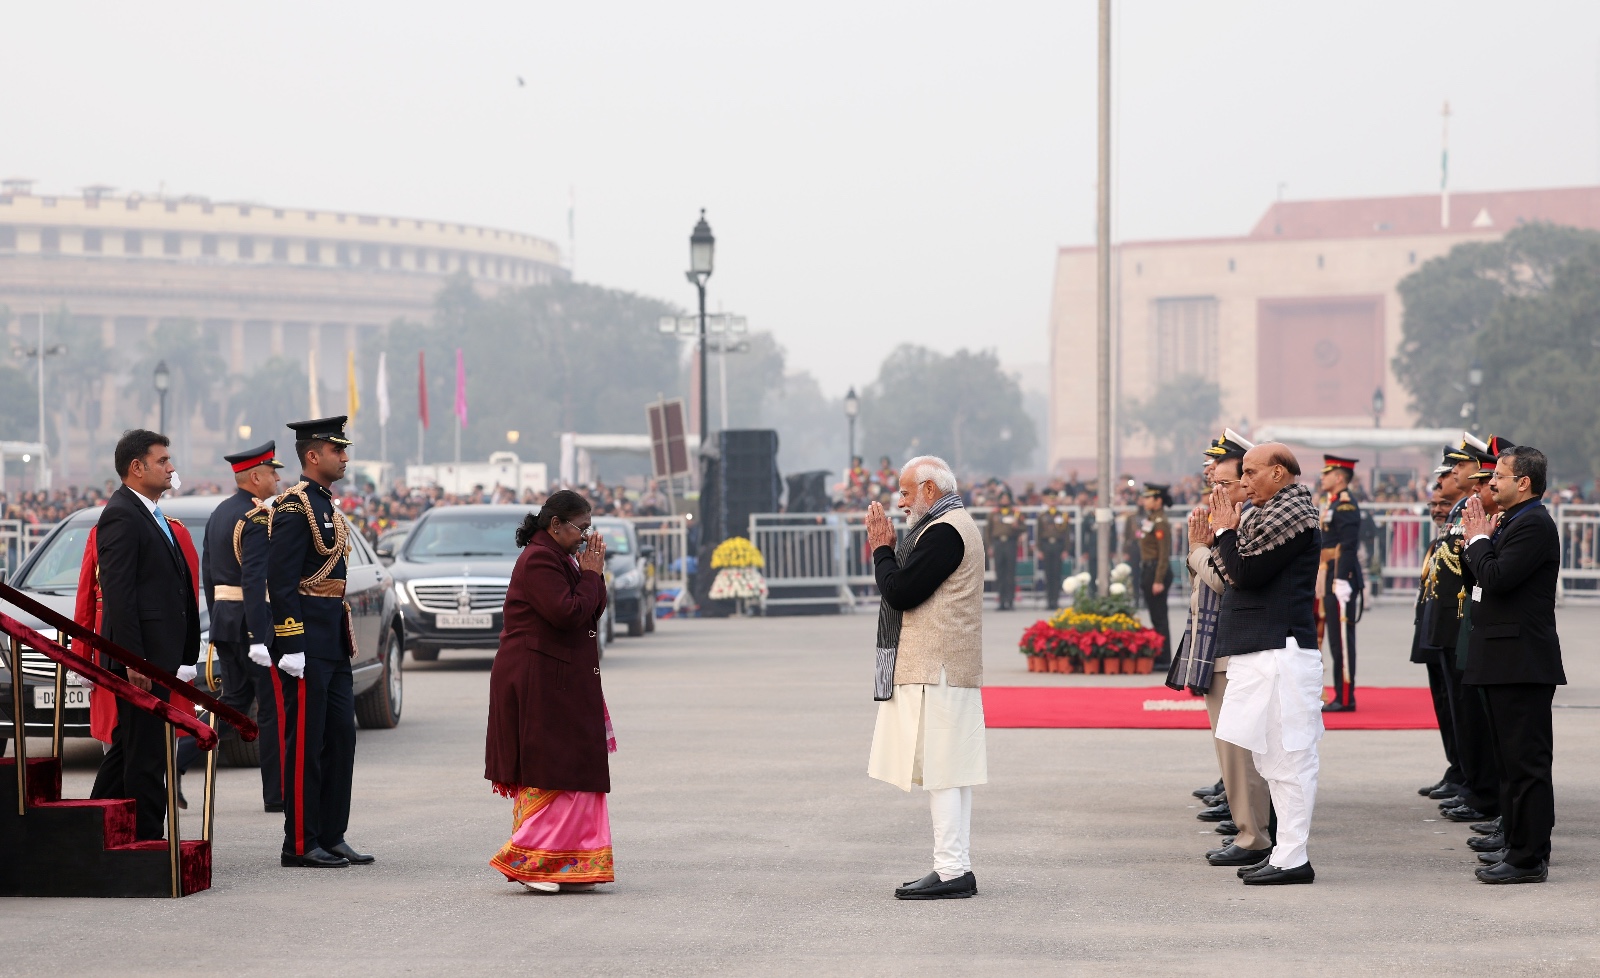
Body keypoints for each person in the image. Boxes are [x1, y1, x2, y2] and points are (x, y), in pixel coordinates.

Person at [865, 455, 986, 900]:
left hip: (937, 667)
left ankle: (953, 870)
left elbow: (900, 592)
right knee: (951, 771)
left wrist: (881, 548)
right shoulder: (950, 524)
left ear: (930, 491)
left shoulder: (945, 531)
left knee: (944, 772)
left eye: (905, 491)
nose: (900, 502)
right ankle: (954, 865)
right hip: (946, 666)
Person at [485, 489, 615, 893]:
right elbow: (567, 612)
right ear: (555, 526)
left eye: (589, 530)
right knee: (551, 771)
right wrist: (590, 574)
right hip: (538, 681)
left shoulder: (560, 557)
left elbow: (589, 608)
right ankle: (532, 861)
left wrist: (593, 573)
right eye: (581, 529)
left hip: (558, 678)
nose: (585, 538)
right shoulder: (540, 559)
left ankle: (570, 862)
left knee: (573, 771)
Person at [1209, 443, 1323, 885]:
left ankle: (1294, 857)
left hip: (1282, 649)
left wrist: (1222, 533)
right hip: (1263, 650)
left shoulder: (1293, 513)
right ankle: (1283, 852)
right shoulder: (1266, 512)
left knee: (1291, 756)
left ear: (1279, 473)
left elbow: (1246, 573)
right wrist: (1224, 534)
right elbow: (1235, 570)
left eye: (1251, 473)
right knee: (1271, 759)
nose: (1243, 482)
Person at [88, 430, 202, 841]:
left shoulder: (150, 512)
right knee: (147, 759)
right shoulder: (121, 513)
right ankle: (149, 844)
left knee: (128, 753)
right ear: (136, 468)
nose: (171, 467)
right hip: (140, 661)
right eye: (162, 460)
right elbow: (119, 595)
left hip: (158, 656)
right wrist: (134, 659)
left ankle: (88, 830)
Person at [268, 416, 372, 868]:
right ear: (313, 455)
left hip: (332, 641)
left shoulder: (326, 505)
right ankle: (300, 841)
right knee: (306, 743)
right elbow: (281, 581)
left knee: (341, 738)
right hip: (306, 644)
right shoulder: (293, 509)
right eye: (338, 450)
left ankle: (332, 833)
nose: (345, 457)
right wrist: (291, 643)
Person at [1461, 445, 1565, 884]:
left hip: (1521, 661)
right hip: (1503, 657)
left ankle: (1528, 857)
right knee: (1509, 762)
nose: (1491, 483)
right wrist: (1479, 541)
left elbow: (1498, 578)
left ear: (1524, 482)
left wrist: (1480, 541)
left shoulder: (1534, 525)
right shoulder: (1515, 521)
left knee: (1526, 764)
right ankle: (1515, 842)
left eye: (1499, 475)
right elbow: (1482, 577)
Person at [202, 441, 285, 812]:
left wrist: (218, 620)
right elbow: (254, 582)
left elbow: (207, 576)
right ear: (255, 477)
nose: (277, 478)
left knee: (233, 704)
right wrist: (258, 634)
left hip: (225, 621)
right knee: (271, 711)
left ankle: (181, 752)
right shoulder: (256, 517)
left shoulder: (221, 512)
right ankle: (277, 795)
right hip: (252, 628)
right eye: (272, 472)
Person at [1413, 467, 1466, 800]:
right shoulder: (1444, 533)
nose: (1437, 508)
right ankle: (1457, 769)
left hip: (1454, 627)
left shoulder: (1464, 520)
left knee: (1459, 706)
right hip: (1436, 625)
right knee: (1445, 703)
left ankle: (1466, 775)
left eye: (1442, 502)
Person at [1318, 456, 1364, 712]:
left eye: (1327, 474)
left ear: (1338, 477)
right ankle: (1341, 694)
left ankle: (1346, 697)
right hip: (1330, 574)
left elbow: (1347, 545)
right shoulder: (1333, 502)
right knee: (1336, 640)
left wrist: (1340, 579)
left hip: (1340, 578)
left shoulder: (1345, 504)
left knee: (1343, 641)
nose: (1322, 478)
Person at [1137, 483, 1174, 667]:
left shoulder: (1160, 522)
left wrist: (1158, 579)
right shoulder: (1151, 519)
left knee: (1159, 617)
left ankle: (1164, 658)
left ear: (1158, 501)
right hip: (1148, 570)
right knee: (1155, 616)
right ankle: (1160, 655)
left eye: (1148, 498)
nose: (1144, 501)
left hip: (1156, 572)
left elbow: (1163, 554)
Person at [985, 488, 1022, 610]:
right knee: (1000, 573)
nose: (1004, 500)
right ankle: (1001, 601)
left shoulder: (1015, 513)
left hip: (1010, 543)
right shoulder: (994, 514)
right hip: (998, 544)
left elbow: (1024, 528)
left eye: (1006, 498)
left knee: (1010, 573)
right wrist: (990, 546)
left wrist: (1017, 527)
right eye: (1002, 498)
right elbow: (988, 532)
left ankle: (1010, 601)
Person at [1034, 488, 1070, 610]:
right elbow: (1038, 533)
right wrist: (1039, 549)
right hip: (1046, 546)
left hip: (1058, 546)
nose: (1052, 502)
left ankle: (1055, 600)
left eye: (1054, 500)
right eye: (1050, 499)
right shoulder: (1042, 516)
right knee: (1048, 574)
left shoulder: (1062, 515)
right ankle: (1049, 601)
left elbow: (1066, 534)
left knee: (1057, 574)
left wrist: (1066, 549)